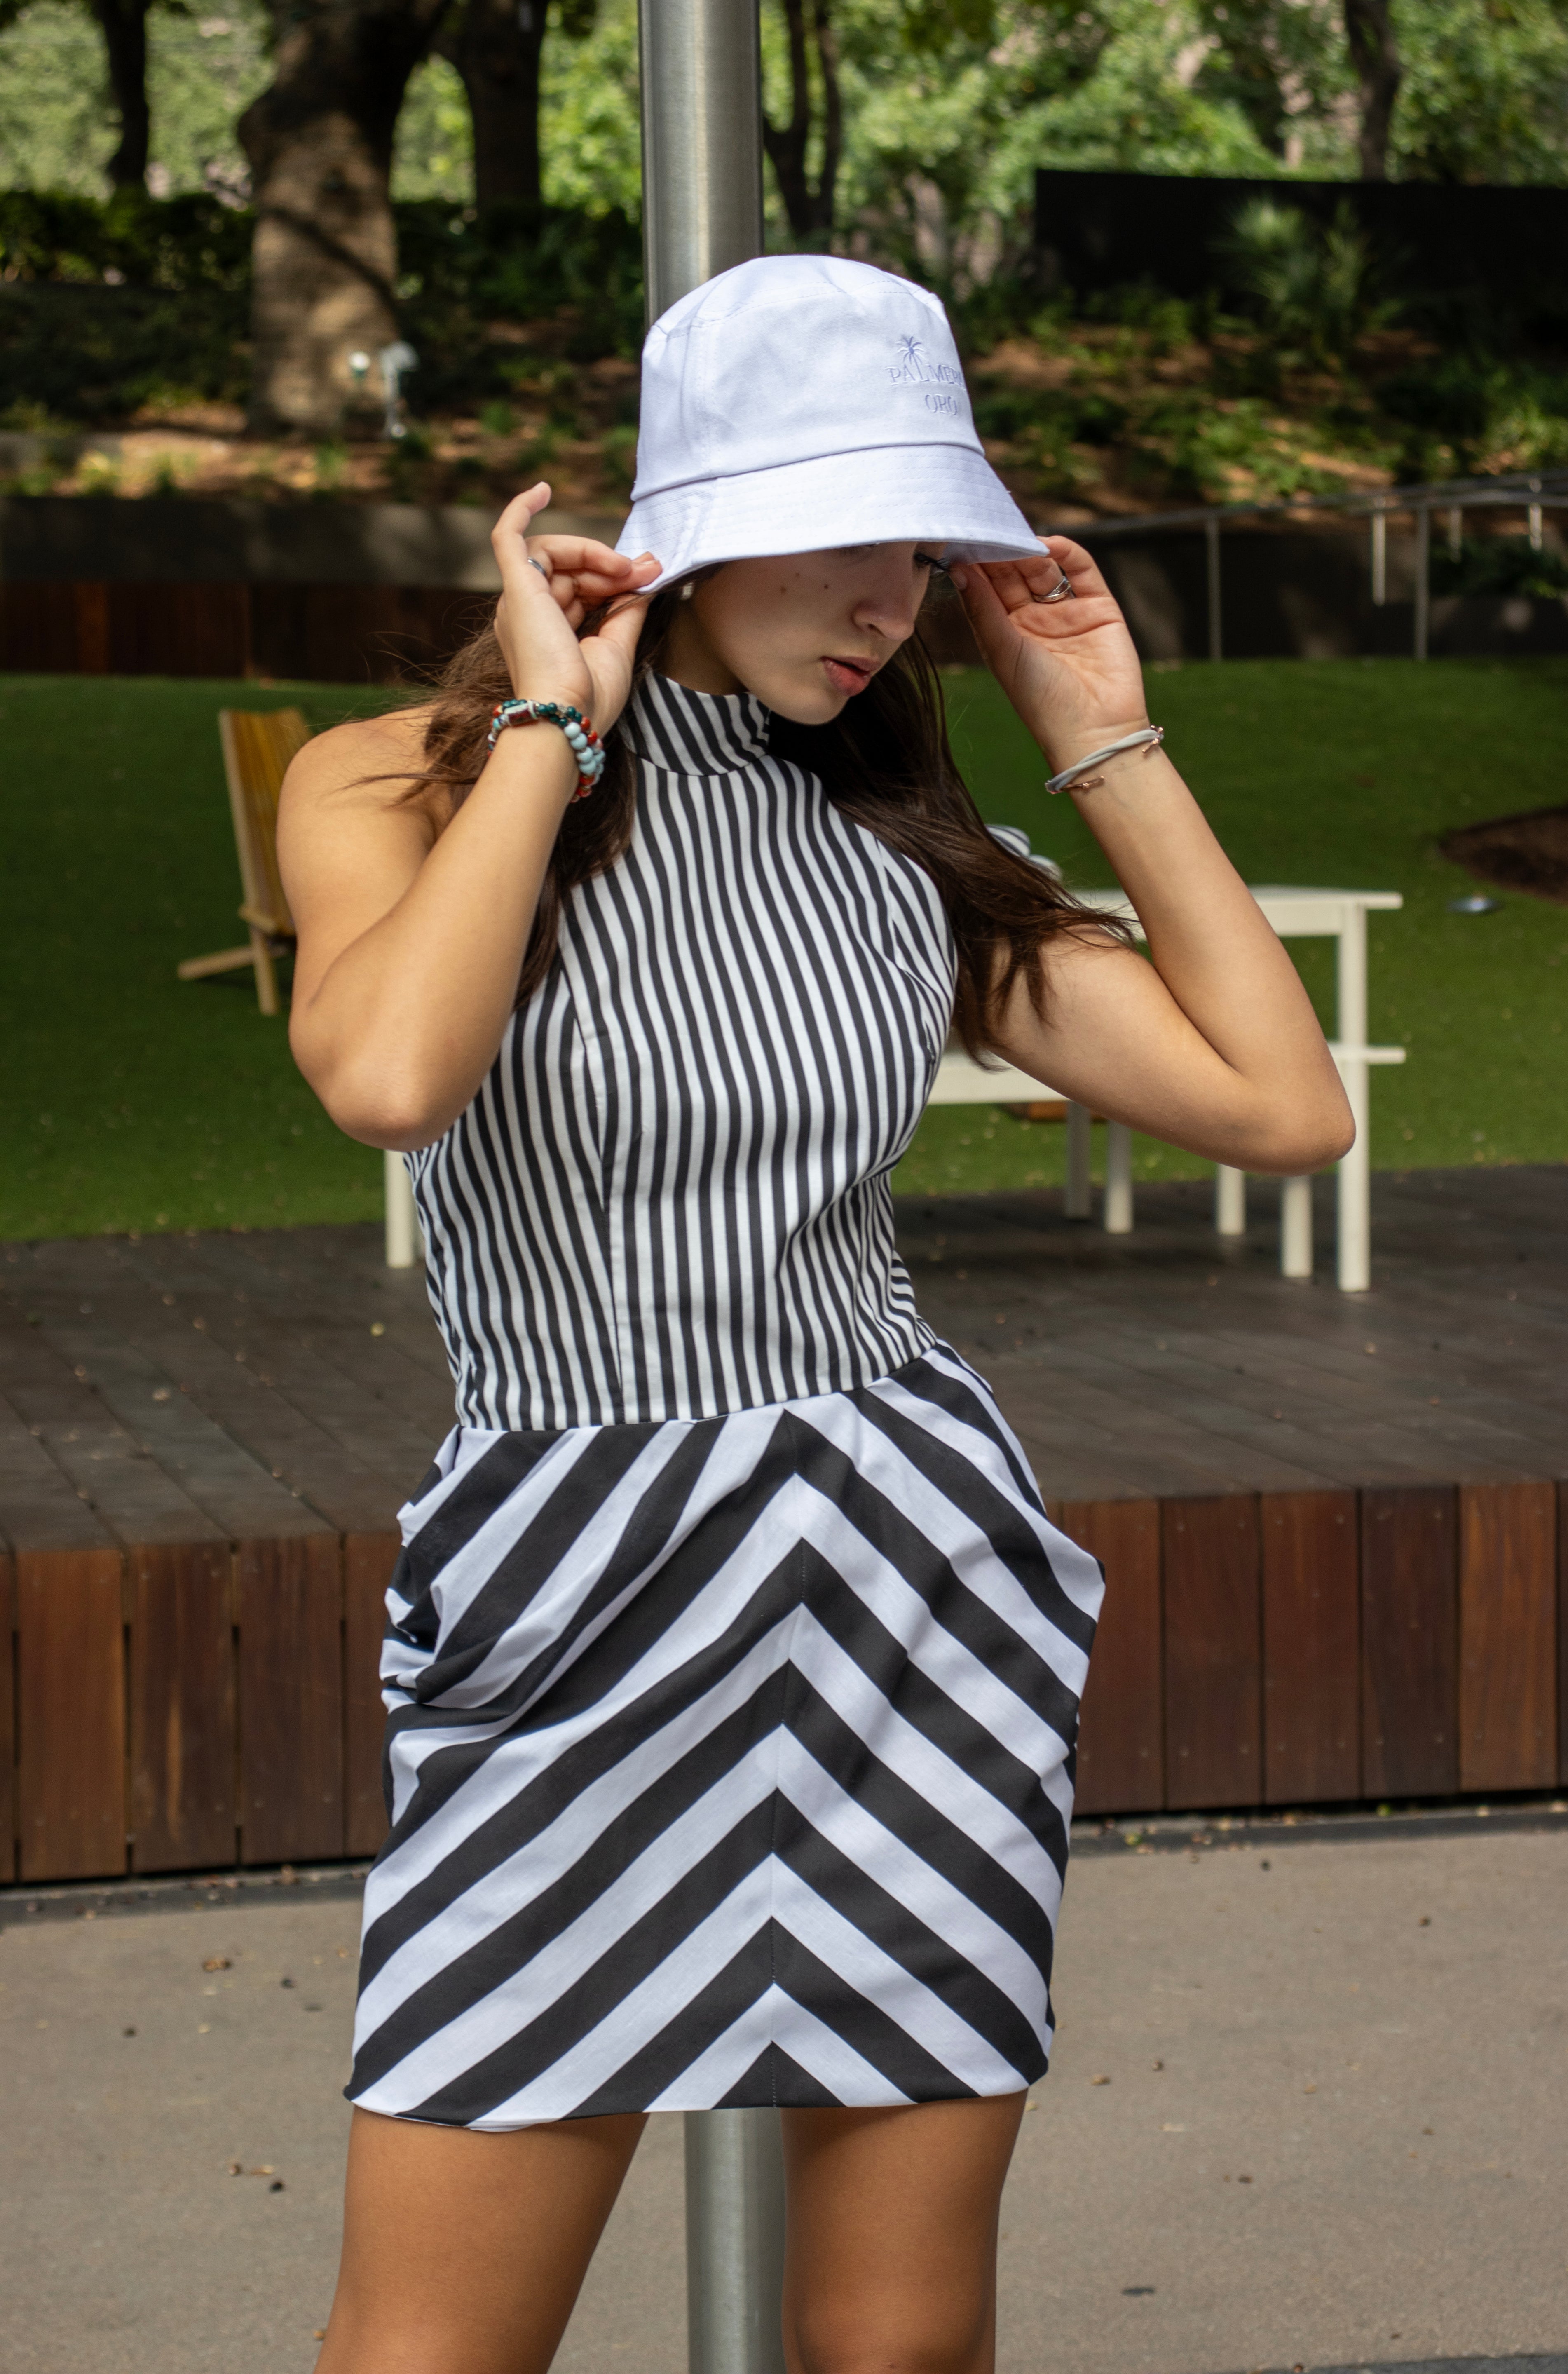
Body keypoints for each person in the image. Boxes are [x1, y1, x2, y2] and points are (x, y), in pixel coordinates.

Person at [278, 255, 1353, 2374]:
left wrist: (1102, 736)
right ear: (681, 531)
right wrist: (551, 730)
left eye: (919, 543)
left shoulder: (893, 856)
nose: (888, 593)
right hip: (574, 1597)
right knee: (431, 2355)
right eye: (840, 529)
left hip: (898, 1587)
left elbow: (1281, 1108)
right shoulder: (396, 779)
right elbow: (391, 1079)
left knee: (895, 2348)